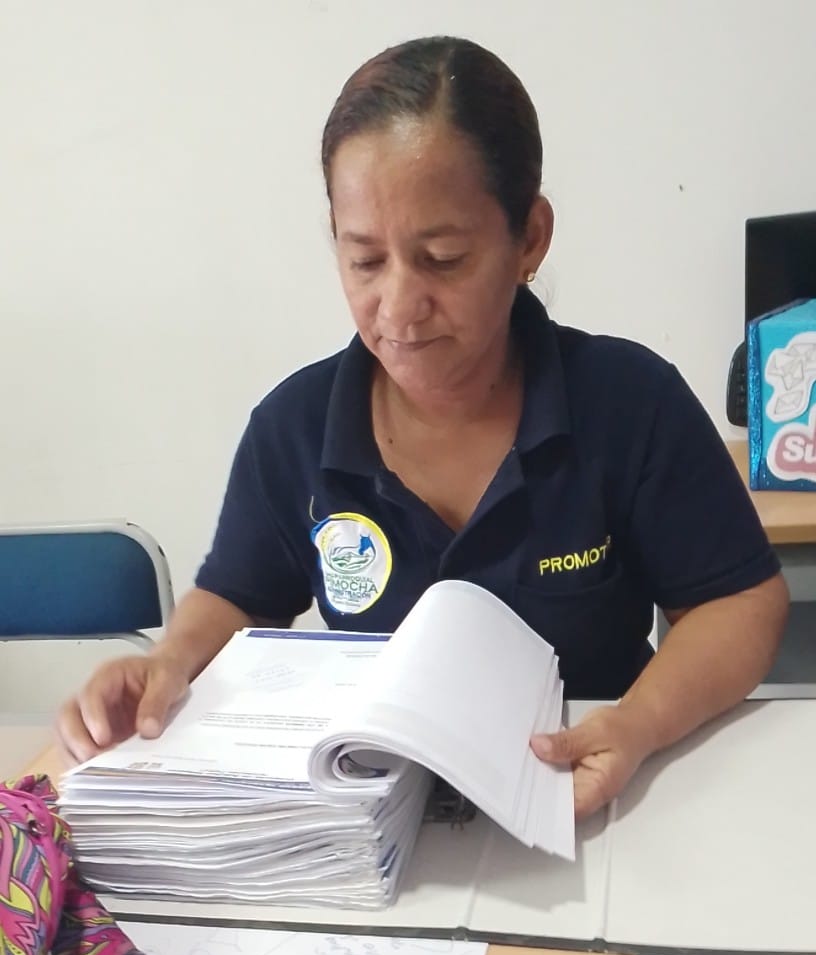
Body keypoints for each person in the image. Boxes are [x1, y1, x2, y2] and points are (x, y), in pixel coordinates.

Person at [56, 36, 788, 817]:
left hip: (597, 808)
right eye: (366, 262)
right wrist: (170, 662)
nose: (400, 308)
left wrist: (638, 725)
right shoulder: (295, 428)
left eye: (442, 258)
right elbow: (238, 596)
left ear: (529, 239)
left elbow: (739, 603)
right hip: (383, 824)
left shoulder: (628, 401)